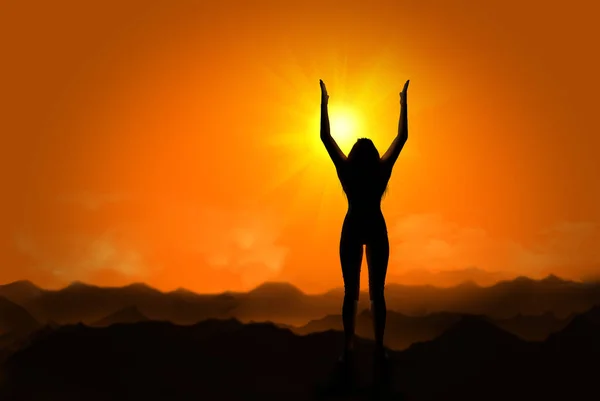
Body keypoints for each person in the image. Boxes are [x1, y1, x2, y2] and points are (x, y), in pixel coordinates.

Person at [319, 78, 409, 371]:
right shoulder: (381, 172)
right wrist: (402, 102)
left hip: (353, 225)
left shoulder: (347, 171)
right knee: (376, 293)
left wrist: (324, 102)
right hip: (374, 226)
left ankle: (349, 349)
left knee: (351, 293)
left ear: (356, 156)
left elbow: (326, 138)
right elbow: (401, 138)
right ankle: (376, 348)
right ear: (372, 156)